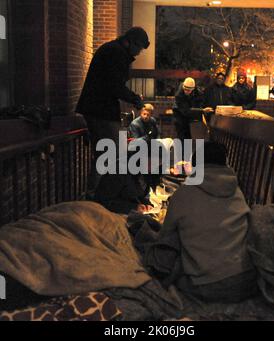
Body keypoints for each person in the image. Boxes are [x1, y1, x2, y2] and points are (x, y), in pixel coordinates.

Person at [146, 141, 256, 303]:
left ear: (196, 164)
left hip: (210, 286)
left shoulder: (184, 194)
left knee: (171, 240)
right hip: (247, 280)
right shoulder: (236, 191)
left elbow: (165, 235)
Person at [76, 27, 150, 192]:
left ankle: (97, 193)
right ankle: (99, 195)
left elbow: (112, 84)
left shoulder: (112, 50)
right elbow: (114, 85)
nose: (138, 53)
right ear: (130, 42)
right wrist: (134, 98)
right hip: (101, 111)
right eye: (138, 48)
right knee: (110, 154)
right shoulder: (116, 54)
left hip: (97, 109)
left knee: (106, 154)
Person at [94, 172, 160, 215]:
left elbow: (140, 194)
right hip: (106, 214)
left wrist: (147, 204)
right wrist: (134, 207)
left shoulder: (144, 174)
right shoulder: (119, 172)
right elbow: (103, 201)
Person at [173, 77, 214, 142]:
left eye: (188, 90)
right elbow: (185, 111)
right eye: (185, 89)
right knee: (183, 138)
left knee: (198, 138)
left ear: (193, 89)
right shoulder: (179, 95)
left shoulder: (198, 93)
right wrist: (202, 110)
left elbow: (200, 104)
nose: (186, 91)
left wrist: (202, 112)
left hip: (194, 118)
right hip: (180, 117)